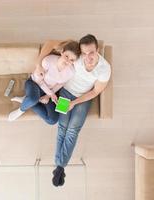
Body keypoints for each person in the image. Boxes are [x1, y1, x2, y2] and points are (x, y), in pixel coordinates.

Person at [36, 34, 111, 187]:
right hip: (64, 93)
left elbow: (95, 92)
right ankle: (60, 166)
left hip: (83, 98)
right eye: (84, 53)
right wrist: (38, 65)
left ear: (98, 49)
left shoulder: (104, 69)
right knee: (62, 127)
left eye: (91, 52)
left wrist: (74, 103)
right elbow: (50, 42)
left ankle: (59, 166)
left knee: (73, 130)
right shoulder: (75, 56)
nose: (87, 57)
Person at [8, 41, 81, 124]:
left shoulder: (71, 72)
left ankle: (27, 101)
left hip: (48, 92)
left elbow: (60, 84)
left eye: (72, 60)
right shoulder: (48, 61)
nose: (67, 61)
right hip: (34, 83)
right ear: (62, 52)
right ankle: (20, 110)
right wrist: (51, 94)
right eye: (66, 56)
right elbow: (39, 81)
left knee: (52, 120)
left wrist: (48, 96)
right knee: (33, 98)